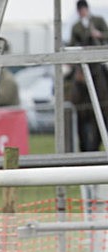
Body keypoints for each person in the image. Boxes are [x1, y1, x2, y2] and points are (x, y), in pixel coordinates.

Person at [69, 0, 108, 151]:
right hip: (82, 63)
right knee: (72, 78)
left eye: (83, 9)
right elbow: (72, 42)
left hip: (98, 63)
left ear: (87, 9)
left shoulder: (98, 21)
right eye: (80, 10)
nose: (82, 12)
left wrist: (98, 34)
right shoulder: (76, 26)